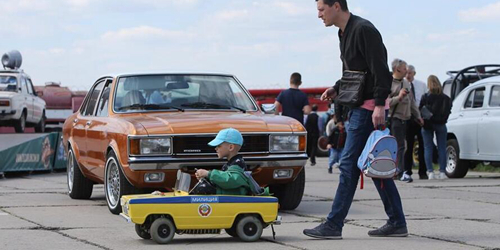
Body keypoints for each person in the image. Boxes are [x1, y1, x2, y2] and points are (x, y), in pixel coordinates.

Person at [304, 0, 408, 239]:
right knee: (374, 165)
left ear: (336, 6)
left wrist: (380, 105)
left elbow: (380, 70)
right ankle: (397, 221)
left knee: (349, 165)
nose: (319, 15)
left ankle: (333, 224)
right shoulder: (344, 32)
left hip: (369, 109)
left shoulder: (363, 30)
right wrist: (337, 87)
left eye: (321, 9)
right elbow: (355, 72)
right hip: (359, 107)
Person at [388, 59, 423, 182]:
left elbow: (412, 101)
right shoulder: (388, 83)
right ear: (397, 69)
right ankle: (399, 171)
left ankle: (397, 171)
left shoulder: (406, 83)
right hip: (394, 118)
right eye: (404, 69)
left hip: (405, 118)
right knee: (400, 146)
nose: (406, 71)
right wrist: (399, 97)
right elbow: (385, 103)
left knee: (403, 146)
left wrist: (418, 116)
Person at [194, 128, 253, 195]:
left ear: (231, 147)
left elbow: (230, 180)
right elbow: (223, 180)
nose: (216, 148)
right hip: (231, 197)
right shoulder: (230, 164)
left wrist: (209, 174)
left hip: (237, 200)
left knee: (204, 188)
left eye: (219, 146)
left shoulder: (238, 164)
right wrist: (207, 177)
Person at [419, 75, 452, 180]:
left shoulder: (425, 97)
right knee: (442, 148)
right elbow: (448, 110)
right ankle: (442, 171)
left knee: (427, 148)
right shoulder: (446, 98)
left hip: (428, 124)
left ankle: (430, 172)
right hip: (441, 124)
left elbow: (420, 110)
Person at [404, 65, 429, 180]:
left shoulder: (422, 85)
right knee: (408, 146)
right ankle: (407, 170)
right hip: (407, 117)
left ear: (414, 73)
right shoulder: (403, 85)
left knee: (422, 145)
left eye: (410, 73)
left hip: (419, 118)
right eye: (406, 73)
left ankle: (422, 171)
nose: (408, 75)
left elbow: (426, 101)